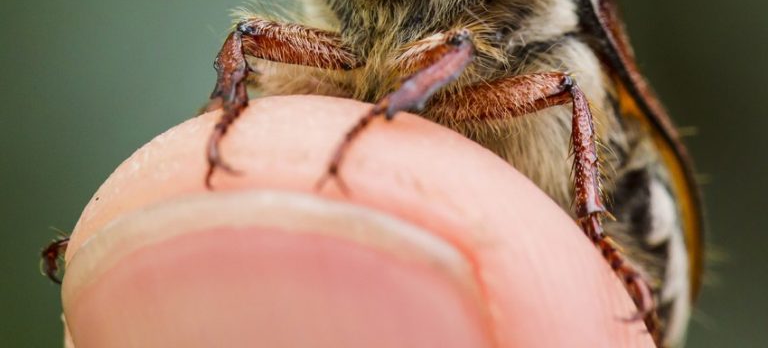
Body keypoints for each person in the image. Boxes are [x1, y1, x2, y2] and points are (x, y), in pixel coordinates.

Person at [58, 91, 653, 347]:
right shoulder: (335, 30)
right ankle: (191, 186)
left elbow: (551, 86)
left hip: (602, 193)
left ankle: (597, 233)